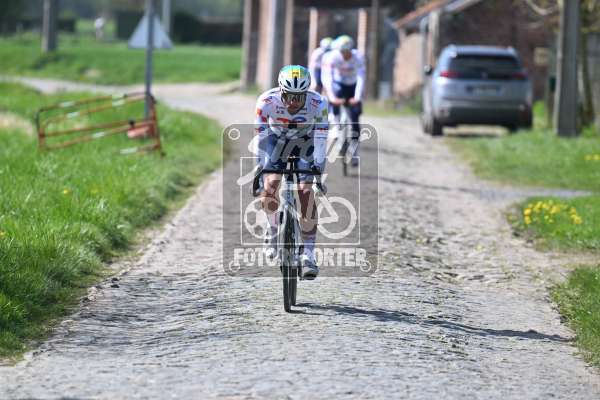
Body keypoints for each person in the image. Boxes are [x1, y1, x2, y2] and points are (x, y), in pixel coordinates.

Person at [254, 65, 329, 279]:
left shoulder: (319, 103)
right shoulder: (266, 101)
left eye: (299, 97)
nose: (293, 102)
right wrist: (259, 167)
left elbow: (321, 138)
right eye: (288, 96)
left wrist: (318, 170)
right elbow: (260, 137)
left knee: (306, 192)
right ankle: (272, 229)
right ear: (281, 91)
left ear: (306, 93)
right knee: (270, 185)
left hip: (306, 141)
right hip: (275, 139)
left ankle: (308, 254)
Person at [321, 35, 365, 167]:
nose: (344, 55)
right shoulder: (332, 57)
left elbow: (361, 77)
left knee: (355, 118)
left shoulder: (358, 57)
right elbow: (327, 78)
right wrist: (332, 97)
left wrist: (357, 97)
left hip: (353, 86)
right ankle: (335, 123)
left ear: (351, 50)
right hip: (338, 84)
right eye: (342, 52)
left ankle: (354, 152)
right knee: (335, 94)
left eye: (347, 52)